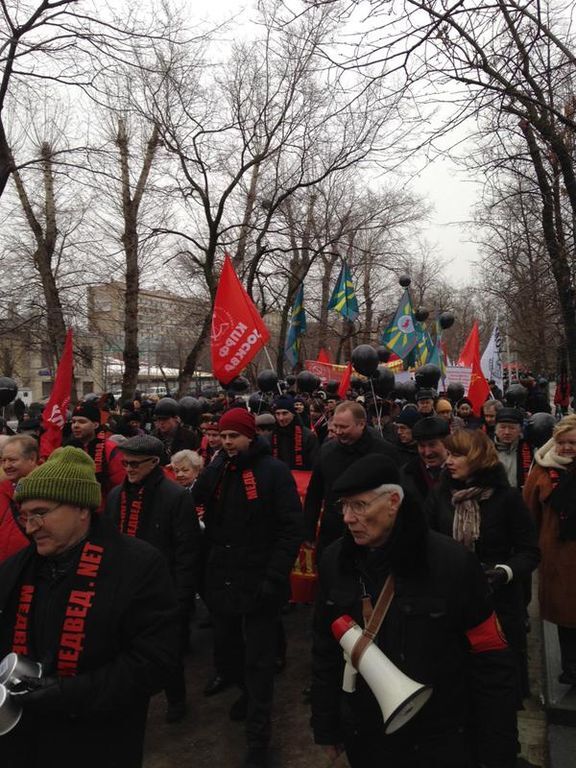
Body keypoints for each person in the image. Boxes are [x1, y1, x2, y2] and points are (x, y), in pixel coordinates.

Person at [311, 454, 519, 768]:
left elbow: (491, 660)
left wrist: (497, 750)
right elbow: (325, 648)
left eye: (360, 505)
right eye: (344, 506)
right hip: (368, 735)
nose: (348, 518)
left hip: (440, 737)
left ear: (393, 501)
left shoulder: (452, 564)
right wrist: (326, 725)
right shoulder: (335, 561)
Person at [0, 447, 179, 768]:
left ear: (82, 509)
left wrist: (68, 693)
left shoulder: (137, 565)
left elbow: (155, 661)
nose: (30, 527)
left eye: (41, 513)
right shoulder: (16, 568)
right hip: (24, 742)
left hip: (100, 741)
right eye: (26, 515)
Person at [193, 408, 302, 768]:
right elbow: (200, 504)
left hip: (259, 580)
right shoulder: (219, 468)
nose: (227, 443)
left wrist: (274, 577)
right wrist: (212, 468)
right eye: (222, 437)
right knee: (229, 650)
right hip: (222, 578)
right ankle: (243, 693)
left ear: (250, 436)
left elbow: (289, 529)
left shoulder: (273, 472)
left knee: (259, 659)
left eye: (233, 437)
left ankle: (259, 737)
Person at [426, 429, 539, 700]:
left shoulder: (507, 498)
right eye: (449, 454)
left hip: (497, 604)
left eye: (458, 455)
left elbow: (530, 552)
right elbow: (425, 540)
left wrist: (504, 572)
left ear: (477, 458)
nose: (449, 461)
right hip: (450, 600)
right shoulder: (439, 495)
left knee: (497, 689)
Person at [106, 435, 201, 723]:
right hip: (123, 587)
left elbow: (187, 551)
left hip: (163, 589)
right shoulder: (115, 496)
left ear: (154, 463)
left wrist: (182, 596)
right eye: (125, 463)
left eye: (135, 464)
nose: (129, 469)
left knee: (166, 652)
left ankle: (176, 699)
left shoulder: (175, 497)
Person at [305, 401, 399, 556]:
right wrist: (308, 530)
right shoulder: (327, 451)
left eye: (344, 427)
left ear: (361, 424)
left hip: (371, 533)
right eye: (335, 426)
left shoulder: (384, 452)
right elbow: (314, 493)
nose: (338, 432)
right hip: (333, 532)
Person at [523, 414, 576, 685]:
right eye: (562, 442)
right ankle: (570, 668)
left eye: (572, 443)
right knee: (566, 617)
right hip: (557, 557)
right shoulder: (542, 471)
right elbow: (528, 515)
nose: (567, 448)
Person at [67, 402, 125, 507]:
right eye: (73, 422)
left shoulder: (110, 449)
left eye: (81, 422)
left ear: (95, 425)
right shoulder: (66, 449)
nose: (75, 426)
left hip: (103, 511)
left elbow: (120, 486)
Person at [0, 435, 39, 562]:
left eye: (12, 460)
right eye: (3, 460)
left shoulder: (48, 491)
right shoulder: (3, 489)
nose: (6, 466)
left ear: (32, 459)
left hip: (31, 568)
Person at [403, 416, 449, 503]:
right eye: (422, 446)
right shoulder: (407, 475)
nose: (427, 452)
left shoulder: (463, 471)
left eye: (432, 445)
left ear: (447, 442)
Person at [271, 395, 319, 470]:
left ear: (293, 414)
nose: (281, 418)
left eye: (285, 413)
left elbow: (315, 464)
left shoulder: (308, 436)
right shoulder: (271, 435)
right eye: (277, 414)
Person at [494, 408, 532, 489]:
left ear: (520, 430)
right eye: (502, 427)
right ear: (495, 429)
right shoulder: (486, 449)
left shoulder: (530, 450)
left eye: (512, 428)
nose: (507, 432)